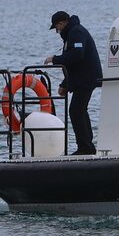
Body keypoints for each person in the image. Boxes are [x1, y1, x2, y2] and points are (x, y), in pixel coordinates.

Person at [44, 10, 103, 155]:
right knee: (79, 110)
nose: (57, 31)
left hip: (87, 78)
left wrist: (54, 59)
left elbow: (77, 55)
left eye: (57, 27)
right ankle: (88, 146)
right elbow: (73, 66)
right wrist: (65, 84)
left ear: (62, 23)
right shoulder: (72, 33)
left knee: (76, 111)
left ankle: (85, 147)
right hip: (82, 77)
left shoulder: (76, 32)